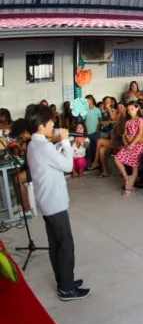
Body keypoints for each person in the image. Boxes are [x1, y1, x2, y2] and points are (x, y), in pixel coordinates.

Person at [26, 104, 90, 301]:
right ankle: (67, 289)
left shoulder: (34, 144)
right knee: (65, 245)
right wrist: (66, 143)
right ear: (41, 125)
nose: (54, 124)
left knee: (56, 244)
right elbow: (68, 165)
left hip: (47, 200)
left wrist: (60, 144)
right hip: (55, 201)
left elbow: (51, 160)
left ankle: (64, 281)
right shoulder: (43, 145)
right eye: (51, 121)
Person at [114, 101, 143, 196]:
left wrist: (132, 144)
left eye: (132, 109)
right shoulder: (127, 122)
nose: (130, 111)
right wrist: (126, 144)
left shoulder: (140, 120)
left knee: (134, 166)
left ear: (137, 109)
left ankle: (129, 187)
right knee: (117, 158)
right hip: (128, 144)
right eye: (128, 110)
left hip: (138, 145)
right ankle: (127, 178)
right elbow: (124, 134)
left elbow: (140, 134)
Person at [84, 95, 102, 165]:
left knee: (95, 148)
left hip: (95, 132)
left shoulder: (97, 110)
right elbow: (84, 120)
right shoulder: (85, 110)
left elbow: (100, 120)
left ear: (91, 100)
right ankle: (89, 161)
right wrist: (85, 130)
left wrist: (97, 129)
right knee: (88, 149)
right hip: (87, 133)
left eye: (87, 101)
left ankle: (96, 162)